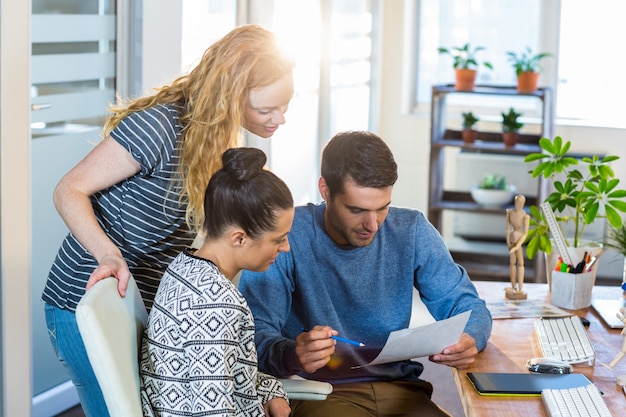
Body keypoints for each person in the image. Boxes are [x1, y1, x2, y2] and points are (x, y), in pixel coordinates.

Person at [41, 24, 294, 417]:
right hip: (86, 297)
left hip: (145, 304)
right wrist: (108, 255)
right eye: (266, 109)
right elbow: (68, 190)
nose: (280, 119)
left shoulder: (223, 141)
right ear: (229, 95)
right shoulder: (157, 127)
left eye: (285, 105)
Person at [239, 130, 493, 417]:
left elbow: (470, 307)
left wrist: (469, 338)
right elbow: (252, 334)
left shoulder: (411, 229)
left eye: (382, 208)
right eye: (357, 210)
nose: (372, 224)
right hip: (322, 393)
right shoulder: (287, 235)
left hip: (401, 388)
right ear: (325, 190)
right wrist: (292, 353)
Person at [140, 147, 294, 417]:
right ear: (239, 238)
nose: (286, 248)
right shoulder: (216, 305)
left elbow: (222, 375)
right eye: (278, 239)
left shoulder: (184, 266)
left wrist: (270, 391)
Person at [505, 194, 530, 299]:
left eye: (520, 203)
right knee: (512, 263)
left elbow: (525, 233)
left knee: (520, 264)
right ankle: (513, 286)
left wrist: (517, 246)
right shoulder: (509, 213)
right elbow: (507, 228)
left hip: (518, 241)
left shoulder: (525, 216)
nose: (518, 204)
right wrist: (508, 243)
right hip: (511, 240)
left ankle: (520, 287)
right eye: (517, 202)